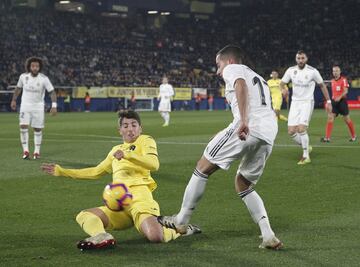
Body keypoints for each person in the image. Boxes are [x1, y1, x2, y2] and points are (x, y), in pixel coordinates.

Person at [158, 45, 282, 250]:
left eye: (218, 65)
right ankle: (268, 234)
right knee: (244, 185)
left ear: (229, 61)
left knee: (202, 167)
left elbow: (240, 86)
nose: (218, 71)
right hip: (268, 133)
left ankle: (181, 220)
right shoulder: (259, 77)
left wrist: (243, 121)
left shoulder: (234, 69)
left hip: (248, 126)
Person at [41, 111, 200, 251]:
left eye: (133, 125)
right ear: (119, 131)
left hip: (140, 199)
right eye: (125, 126)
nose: (130, 129)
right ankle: (102, 236)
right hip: (118, 204)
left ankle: (179, 229)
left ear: (140, 128)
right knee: (84, 215)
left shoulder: (145, 140)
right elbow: (96, 171)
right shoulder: (114, 151)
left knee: (155, 237)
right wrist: (62, 171)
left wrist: (127, 155)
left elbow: (154, 164)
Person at [280, 50, 332, 165]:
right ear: (296, 59)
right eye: (298, 58)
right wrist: (283, 89)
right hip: (295, 103)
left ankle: (306, 156)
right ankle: (306, 146)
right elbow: (282, 83)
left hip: (307, 102)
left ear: (306, 59)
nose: (300, 60)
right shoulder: (291, 70)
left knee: (301, 129)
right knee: (291, 131)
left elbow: (322, 86)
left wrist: (328, 101)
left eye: (302, 58)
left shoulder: (313, 71)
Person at [10, 57, 57, 160]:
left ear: (39, 67)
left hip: (38, 107)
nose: (35, 68)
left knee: (37, 129)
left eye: (37, 66)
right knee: (23, 126)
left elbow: (52, 92)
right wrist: (14, 100)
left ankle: (36, 152)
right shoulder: (23, 77)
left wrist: (54, 106)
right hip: (25, 106)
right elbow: (18, 88)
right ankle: (26, 151)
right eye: (33, 66)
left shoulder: (44, 78)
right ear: (29, 67)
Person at [321, 65, 357, 142]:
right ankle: (327, 138)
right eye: (334, 71)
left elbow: (346, 91)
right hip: (334, 102)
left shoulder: (344, 80)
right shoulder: (332, 81)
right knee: (330, 117)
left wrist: (339, 97)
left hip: (342, 102)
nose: (335, 72)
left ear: (340, 72)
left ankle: (354, 136)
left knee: (347, 119)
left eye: (337, 71)